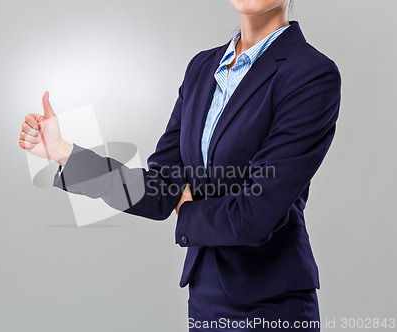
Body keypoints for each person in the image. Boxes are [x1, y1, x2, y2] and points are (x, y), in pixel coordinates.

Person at [18, 0, 341, 330]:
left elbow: (256, 214)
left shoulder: (311, 74)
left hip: (272, 303)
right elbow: (161, 188)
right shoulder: (202, 68)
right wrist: (64, 153)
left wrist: (186, 211)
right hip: (205, 296)